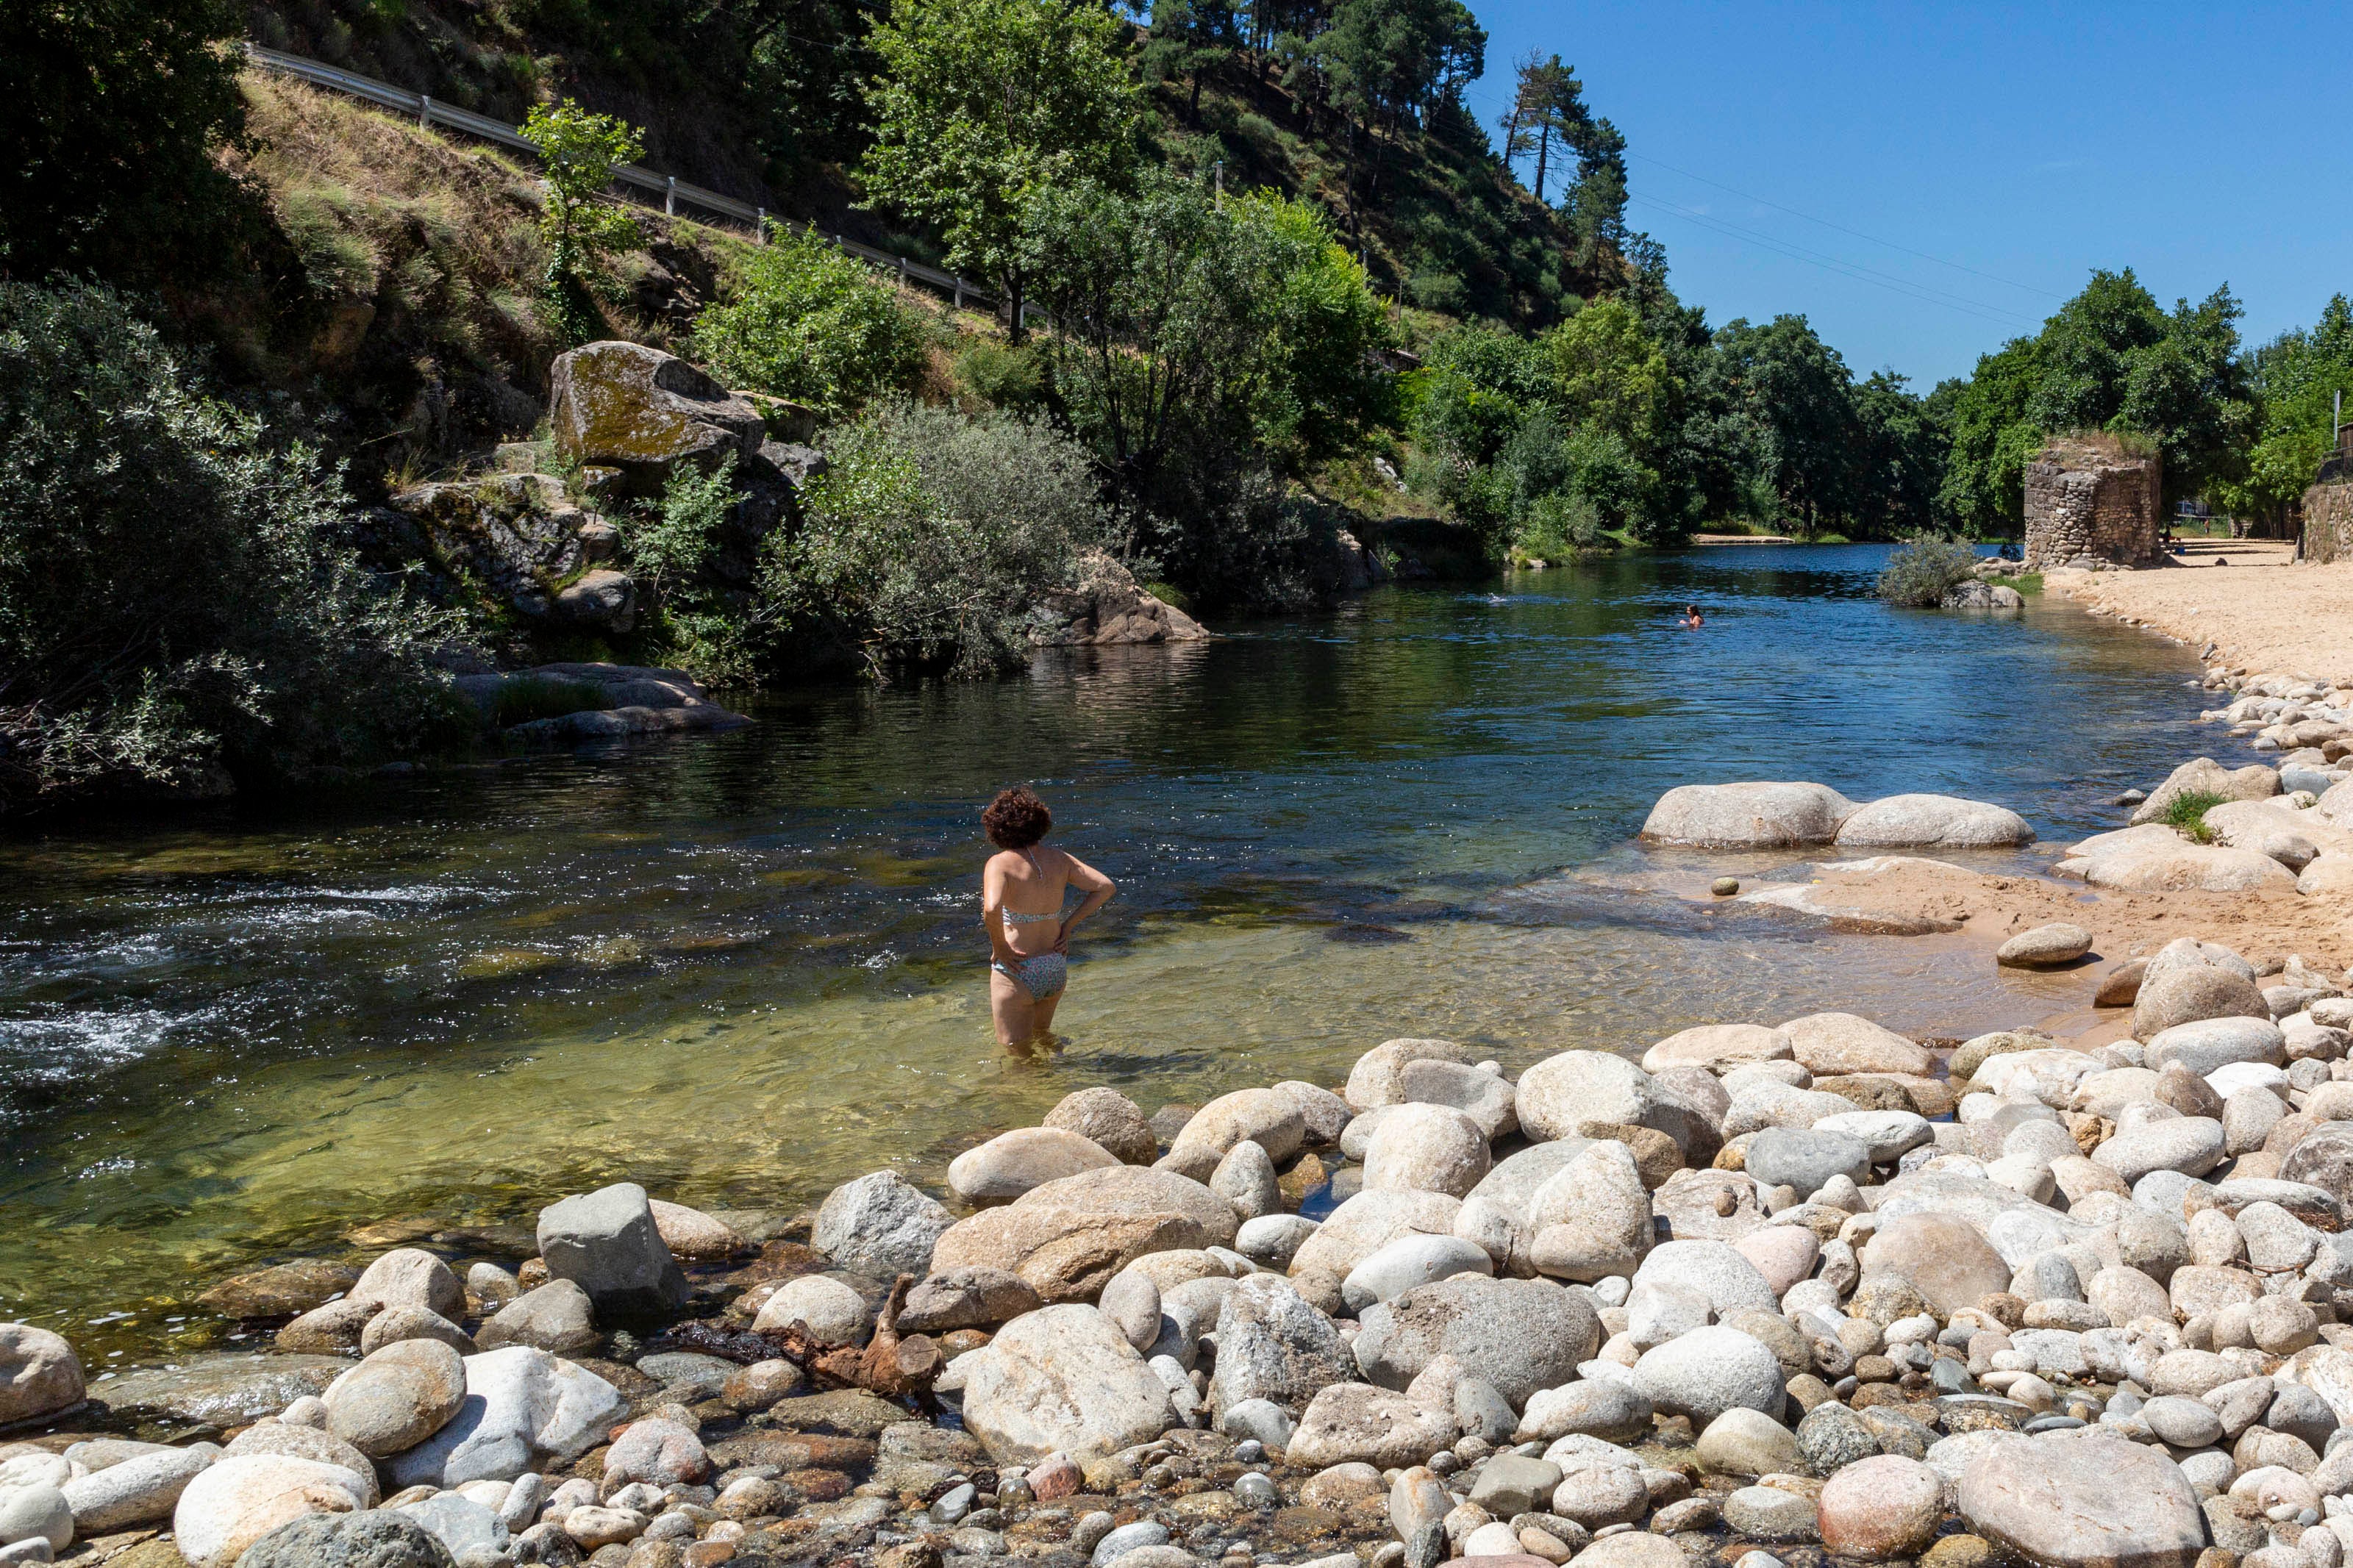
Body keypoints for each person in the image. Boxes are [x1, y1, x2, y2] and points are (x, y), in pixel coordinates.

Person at [980, 787, 1115, 1047]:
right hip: (1053, 966)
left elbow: (991, 909)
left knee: (1015, 1051)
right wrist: (1067, 927)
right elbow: (1105, 887)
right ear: (1040, 822)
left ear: (997, 827)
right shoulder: (1060, 859)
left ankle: (1035, 1088)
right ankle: (1057, 1082)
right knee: (1042, 1039)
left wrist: (1000, 947)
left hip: (1017, 968)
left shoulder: (999, 863)